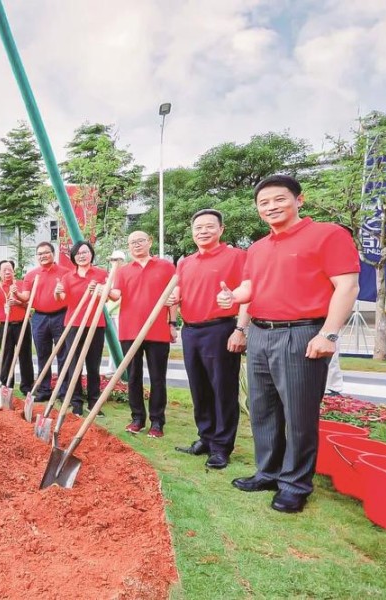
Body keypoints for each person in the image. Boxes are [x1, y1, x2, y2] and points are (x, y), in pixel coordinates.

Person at [218, 174, 359, 513]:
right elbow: (250, 289)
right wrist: (231, 296)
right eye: (263, 203)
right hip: (261, 332)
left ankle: (295, 484)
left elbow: (347, 286)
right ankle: (267, 472)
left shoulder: (327, 235)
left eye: (279, 199)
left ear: (299, 200)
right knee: (262, 409)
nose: (271, 207)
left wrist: (328, 334)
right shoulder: (258, 247)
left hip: (302, 333)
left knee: (298, 414)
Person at [167, 209, 248, 469]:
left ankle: (222, 446)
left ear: (221, 229)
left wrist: (240, 330)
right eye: (198, 228)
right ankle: (206, 437)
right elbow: (180, 290)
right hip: (191, 330)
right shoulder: (185, 262)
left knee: (222, 389)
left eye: (209, 227)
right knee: (199, 388)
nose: (203, 231)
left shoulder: (237, 256)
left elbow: (249, 292)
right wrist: (174, 301)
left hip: (220, 329)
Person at [109, 231, 176, 438]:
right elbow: (115, 295)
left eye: (140, 241)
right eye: (132, 243)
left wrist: (172, 323)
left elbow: (173, 297)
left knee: (158, 378)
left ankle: (157, 422)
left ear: (150, 242)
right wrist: (104, 288)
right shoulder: (123, 270)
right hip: (130, 330)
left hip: (157, 330)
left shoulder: (165, 266)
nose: (136, 245)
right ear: (128, 247)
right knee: (134, 377)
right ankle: (137, 418)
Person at [55, 241, 108, 416]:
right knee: (74, 364)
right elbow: (62, 300)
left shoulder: (101, 274)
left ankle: (94, 401)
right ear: (73, 257)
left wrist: (100, 290)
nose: (82, 255)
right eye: (78, 253)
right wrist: (57, 292)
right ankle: (76, 401)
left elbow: (108, 298)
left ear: (91, 254)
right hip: (73, 324)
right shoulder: (68, 277)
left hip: (95, 324)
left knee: (94, 365)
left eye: (85, 252)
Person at [16, 242, 70, 403]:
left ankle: (63, 390)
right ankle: (44, 389)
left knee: (63, 354)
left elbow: (70, 295)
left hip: (61, 316)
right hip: (39, 317)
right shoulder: (31, 275)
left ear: (53, 254)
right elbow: (25, 297)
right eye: (39, 254)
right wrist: (16, 294)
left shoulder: (65, 273)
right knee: (42, 354)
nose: (43, 256)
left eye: (46, 253)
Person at [0, 259, 33, 395]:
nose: (7, 272)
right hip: (5, 325)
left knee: (25, 354)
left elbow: (28, 304)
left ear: (14, 271)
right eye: (4, 270)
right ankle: (6, 385)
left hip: (21, 325)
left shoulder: (20, 284)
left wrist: (18, 300)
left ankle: (27, 387)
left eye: (10, 270)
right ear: (0, 273)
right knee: (6, 355)